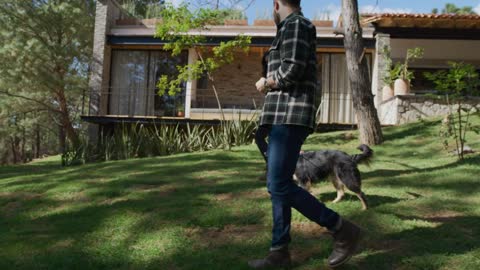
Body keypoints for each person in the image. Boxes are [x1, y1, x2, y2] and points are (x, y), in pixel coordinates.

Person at [249, 0, 362, 268]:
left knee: (278, 185)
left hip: (290, 115)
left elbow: (293, 69)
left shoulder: (297, 25)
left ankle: (342, 229)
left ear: (276, 4)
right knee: (278, 187)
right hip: (281, 115)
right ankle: (279, 252)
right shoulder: (291, 27)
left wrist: (267, 81)